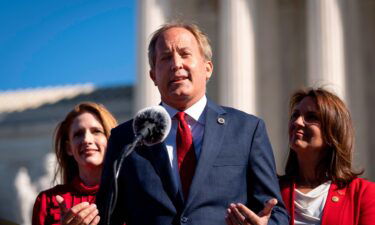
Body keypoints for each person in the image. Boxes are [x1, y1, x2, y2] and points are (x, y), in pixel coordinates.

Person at [96, 22, 288, 225]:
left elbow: (276, 213)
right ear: (153, 76)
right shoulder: (126, 139)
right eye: (166, 57)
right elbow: (108, 218)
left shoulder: (247, 130)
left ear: (207, 68)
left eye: (184, 54)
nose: (176, 64)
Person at [226, 88, 375, 225]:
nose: (297, 122)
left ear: (333, 131)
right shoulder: (270, 193)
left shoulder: (364, 194)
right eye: (295, 115)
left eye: (311, 117)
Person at [32, 102, 117, 225]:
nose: (87, 140)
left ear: (110, 139)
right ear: (69, 148)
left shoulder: (132, 195)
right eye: (78, 134)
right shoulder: (48, 200)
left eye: (96, 131)